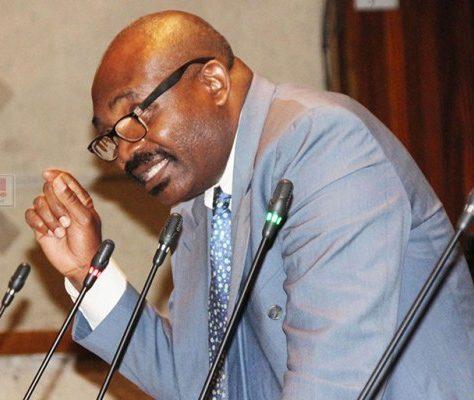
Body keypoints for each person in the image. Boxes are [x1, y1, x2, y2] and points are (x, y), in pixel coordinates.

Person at [25, 11, 474, 400]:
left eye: (135, 116)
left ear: (213, 82)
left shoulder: (322, 144)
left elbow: (333, 377)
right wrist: (87, 272)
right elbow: (199, 383)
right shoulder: (202, 202)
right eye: (111, 137)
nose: (126, 153)